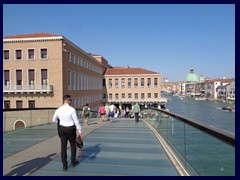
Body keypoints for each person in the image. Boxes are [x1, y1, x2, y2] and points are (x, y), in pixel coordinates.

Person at [52, 95, 82, 171]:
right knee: (73, 146)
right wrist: (79, 131)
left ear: (63, 100)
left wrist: (60, 122)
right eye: (71, 100)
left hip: (62, 129)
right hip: (70, 129)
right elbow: (76, 121)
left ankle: (64, 165)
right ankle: (73, 162)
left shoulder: (58, 109)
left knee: (63, 147)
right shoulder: (72, 110)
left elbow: (54, 120)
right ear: (69, 101)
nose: (71, 102)